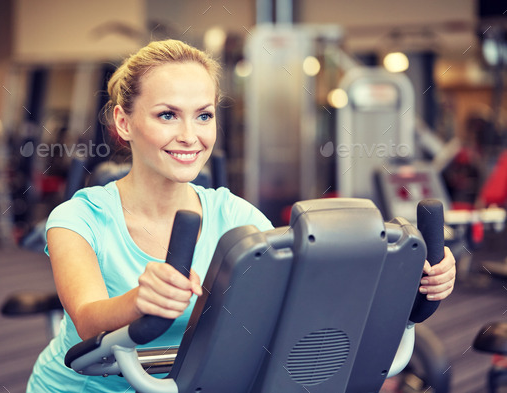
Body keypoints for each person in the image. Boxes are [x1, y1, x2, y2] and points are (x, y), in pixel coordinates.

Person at [26, 39, 457, 393]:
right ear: (123, 121)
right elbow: (87, 320)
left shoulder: (237, 217)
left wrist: (412, 284)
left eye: (204, 116)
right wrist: (137, 302)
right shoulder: (77, 217)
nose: (190, 136)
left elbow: (303, 302)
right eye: (167, 115)